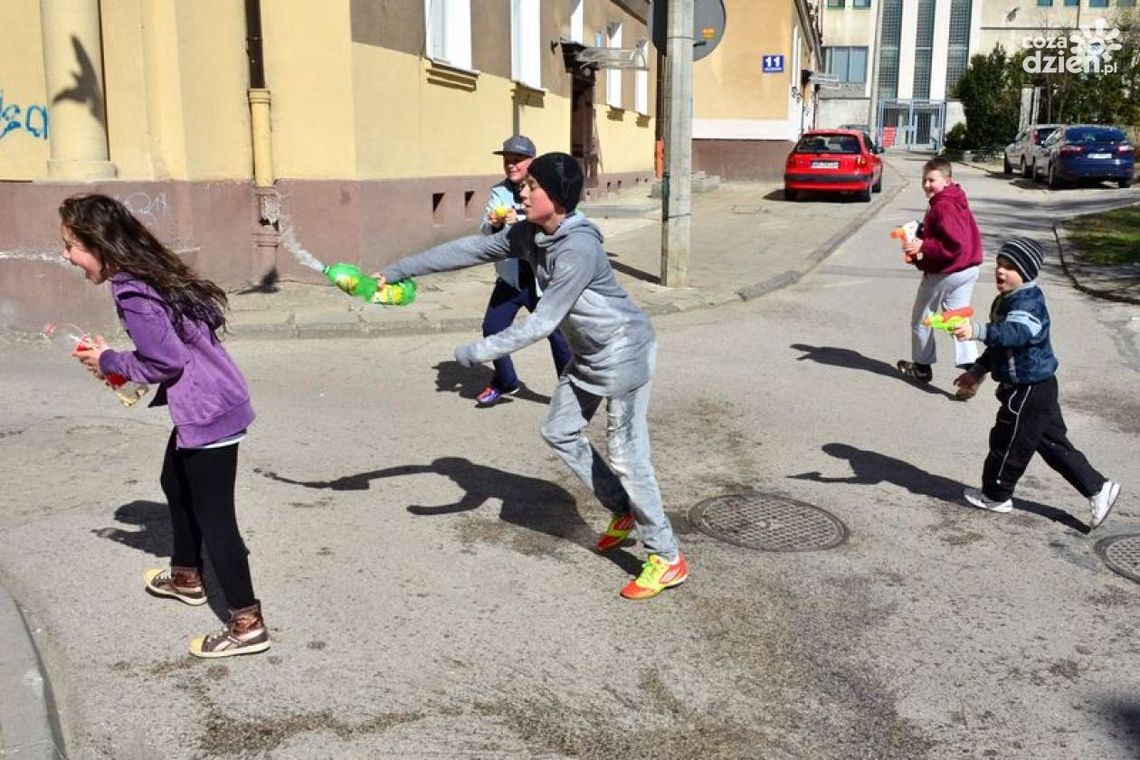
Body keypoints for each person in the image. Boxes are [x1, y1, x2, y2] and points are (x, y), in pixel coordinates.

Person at [376, 152, 687, 600]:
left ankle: (666, 555)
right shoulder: (530, 234)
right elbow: (470, 249)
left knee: (627, 455)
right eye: (525, 184)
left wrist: (479, 351)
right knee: (560, 430)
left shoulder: (578, 248)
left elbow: (542, 322)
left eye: (533, 185)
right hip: (589, 354)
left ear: (557, 198)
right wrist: (400, 270)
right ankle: (621, 509)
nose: (522, 188)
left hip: (624, 354)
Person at [60, 194, 269, 657]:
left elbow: (165, 359)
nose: (66, 255)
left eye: (71, 245)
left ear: (98, 244)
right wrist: (116, 360)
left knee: (218, 521)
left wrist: (109, 359)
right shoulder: (148, 273)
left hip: (208, 410)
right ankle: (187, 575)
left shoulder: (131, 289)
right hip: (213, 401)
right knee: (174, 482)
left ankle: (247, 623)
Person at [952, 237, 1121, 528]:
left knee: (1008, 443)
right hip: (1035, 388)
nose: (1001, 272)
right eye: (999, 265)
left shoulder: (1028, 303)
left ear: (1027, 273)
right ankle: (1098, 488)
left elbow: (1015, 333)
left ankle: (996, 495)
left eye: (1010, 268)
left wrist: (977, 330)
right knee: (1053, 445)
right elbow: (1000, 347)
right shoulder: (1006, 299)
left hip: (1029, 390)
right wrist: (977, 371)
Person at [475, 134, 572, 406]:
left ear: (531, 162)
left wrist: (518, 219)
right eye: (508, 161)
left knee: (559, 337)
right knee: (492, 329)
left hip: (542, 279)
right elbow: (485, 231)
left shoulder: (547, 189)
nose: (511, 166)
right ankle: (506, 381)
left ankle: (569, 393)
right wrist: (494, 224)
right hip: (511, 278)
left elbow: (556, 224)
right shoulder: (499, 192)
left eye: (517, 161)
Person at [897, 157, 984, 400]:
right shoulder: (954, 199)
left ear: (947, 181)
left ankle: (922, 368)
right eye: (924, 180)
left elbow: (954, 243)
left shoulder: (942, 206)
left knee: (922, 318)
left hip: (947, 270)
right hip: (967, 268)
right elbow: (954, 235)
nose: (926, 184)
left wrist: (923, 245)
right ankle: (972, 369)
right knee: (954, 318)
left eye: (932, 180)